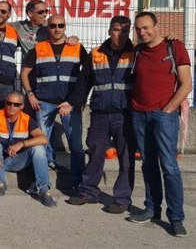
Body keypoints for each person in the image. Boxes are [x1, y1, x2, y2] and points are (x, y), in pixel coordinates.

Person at [62, 16, 136, 215]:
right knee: (95, 151)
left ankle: (121, 199)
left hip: (125, 115)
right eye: (116, 30)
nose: (119, 35)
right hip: (100, 114)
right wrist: (72, 102)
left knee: (126, 158)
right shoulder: (96, 53)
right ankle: (88, 192)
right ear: (109, 30)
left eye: (124, 31)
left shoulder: (136, 54)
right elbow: (83, 84)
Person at [127, 12, 190, 237]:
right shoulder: (138, 51)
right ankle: (152, 209)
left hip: (164, 115)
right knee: (148, 165)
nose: (142, 32)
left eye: (146, 27)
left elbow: (186, 84)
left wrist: (168, 110)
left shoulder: (175, 47)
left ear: (157, 26)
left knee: (170, 168)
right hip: (139, 115)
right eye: (138, 29)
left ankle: (176, 218)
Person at [20, 14, 86, 187]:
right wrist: (30, 94)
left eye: (60, 25)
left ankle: (78, 182)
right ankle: (41, 182)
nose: (57, 29)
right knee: (41, 142)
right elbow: (24, 73)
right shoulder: (39, 48)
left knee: (75, 144)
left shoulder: (77, 47)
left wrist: (78, 100)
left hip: (70, 103)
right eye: (53, 26)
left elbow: (88, 75)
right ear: (47, 28)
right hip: (44, 101)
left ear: (65, 27)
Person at [0, 91, 55, 207]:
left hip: (18, 160)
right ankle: (0, 183)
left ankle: (44, 189)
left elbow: (44, 139)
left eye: (16, 104)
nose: (11, 107)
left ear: (22, 106)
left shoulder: (26, 119)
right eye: (9, 103)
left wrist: (22, 144)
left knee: (39, 148)